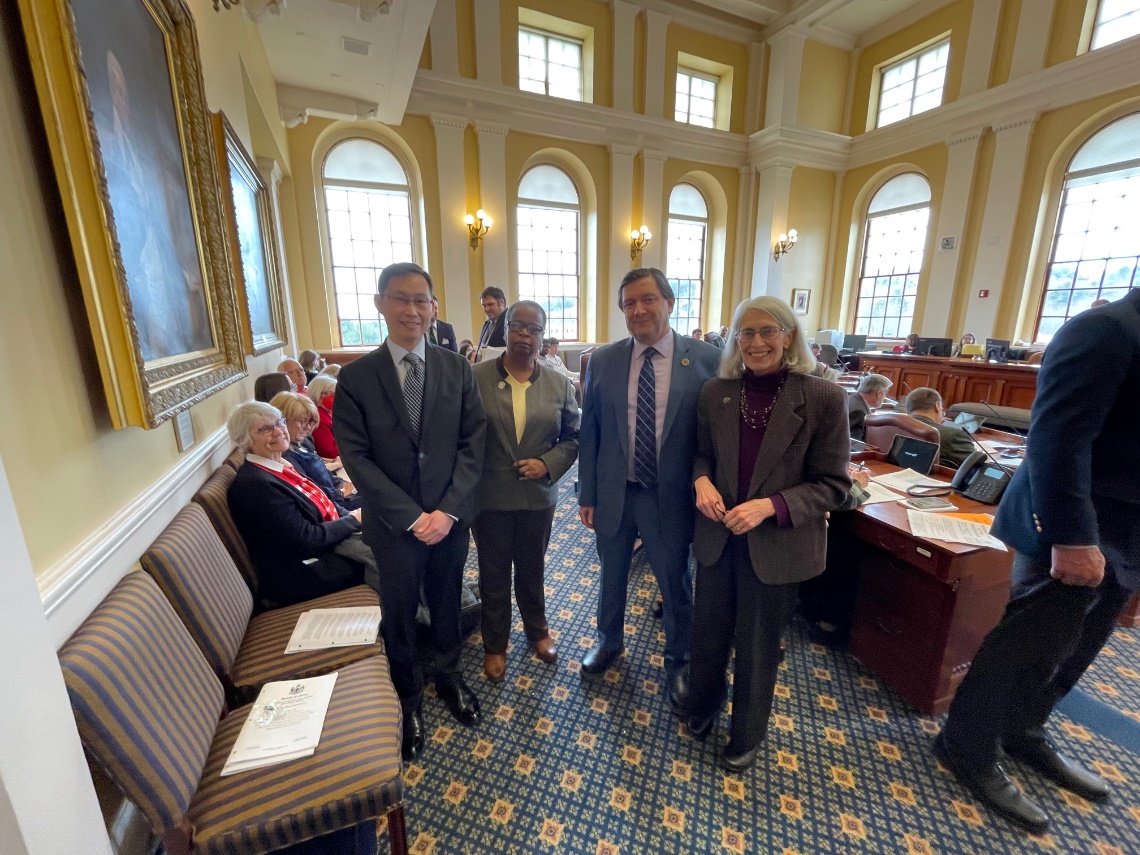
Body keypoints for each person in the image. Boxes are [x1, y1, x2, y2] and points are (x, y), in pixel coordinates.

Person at [934, 289, 1140, 834]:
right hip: (1074, 525)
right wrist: (1072, 537)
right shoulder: (1108, 329)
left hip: (1128, 530)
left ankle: (1025, 730)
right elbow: (1056, 438)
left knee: (1081, 644)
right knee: (1027, 644)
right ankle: (967, 746)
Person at [687, 296, 850, 771]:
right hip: (719, 538)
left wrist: (770, 506)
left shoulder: (823, 397)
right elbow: (701, 456)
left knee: (758, 646)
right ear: (735, 340)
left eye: (767, 331)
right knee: (708, 633)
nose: (756, 342)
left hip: (776, 543)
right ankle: (703, 706)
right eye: (746, 333)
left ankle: (748, 733)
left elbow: (834, 485)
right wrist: (700, 480)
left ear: (789, 335)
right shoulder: (716, 391)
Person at [334, 261, 486, 762]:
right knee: (398, 613)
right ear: (380, 303)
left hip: (449, 521)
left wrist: (446, 511)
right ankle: (409, 697)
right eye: (400, 298)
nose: (412, 309)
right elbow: (356, 457)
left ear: (434, 307)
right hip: (393, 527)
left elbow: (472, 443)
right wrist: (411, 516)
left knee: (447, 603)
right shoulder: (355, 378)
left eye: (422, 300)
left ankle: (449, 677)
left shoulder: (456, 368)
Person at [577, 268, 721, 715]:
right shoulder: (603, 360)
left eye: (647, 300)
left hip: (671, 497)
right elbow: (591, 432)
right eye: (628, 303)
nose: (638, 310)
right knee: (612, 572)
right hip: (615, 492)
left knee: (674, 580)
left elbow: (713, 436)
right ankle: (609, 640)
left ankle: (679, 659)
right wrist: (587, 493)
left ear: (669, 302)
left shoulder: (706, 360)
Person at [472, 301, 580, 682]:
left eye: (532, 329)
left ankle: (538, 631)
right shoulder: (476, 377)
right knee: (493, 572)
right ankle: (494, 644)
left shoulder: (558, 383)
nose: (523, 334)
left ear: (542, 335)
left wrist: (548, 464)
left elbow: (573, 437)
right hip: (489, 498)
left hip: (537, 498)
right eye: (516, 326)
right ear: (505, 331)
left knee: (532, 568)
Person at [225, 401, 376, 608]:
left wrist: (354, 517)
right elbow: (307, 539)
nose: (278, 432)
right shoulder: (256, 485)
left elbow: (326, 503)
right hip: (302, 573)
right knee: (390, 552)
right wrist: (353, 520)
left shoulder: (282, 465)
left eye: (279, 423)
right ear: (244, 440)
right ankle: (414, 625)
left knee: (391, 533)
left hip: (325, 549)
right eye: (265, 429)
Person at [798, 464, 872, 645]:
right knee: (845, 544)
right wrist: (857, 483)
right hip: (792, 522)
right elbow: (839, 499)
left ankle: (809, 602)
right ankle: (830, 622)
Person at [271, 391, 358, 510]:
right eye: (303, 421)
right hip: (334, 506)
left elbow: (325, 473)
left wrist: (341, 483)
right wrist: (341, 492)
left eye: (310, 422)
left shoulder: (303, 442)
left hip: (339, 496)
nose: (307, 427)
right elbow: (311, 493)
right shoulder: (285, 457)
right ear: (283, 421)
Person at [905, 387, 974, 468]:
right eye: (942, 410)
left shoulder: (891, 426)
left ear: (907, 410)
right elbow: (975, 466)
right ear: (937, 406)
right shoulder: (954, 435)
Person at [847, 374, 891, 442]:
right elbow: (854, 445)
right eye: (884, 394)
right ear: (879, 393)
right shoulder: (859, 412)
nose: (884, 398)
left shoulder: (851, 399)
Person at [306, 374, 340, 460]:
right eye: (329, 393)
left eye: (336, 393)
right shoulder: (317, 417)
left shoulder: (329, 412)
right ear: (317, 393)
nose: (334, 397)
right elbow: (329, 451)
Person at [475, 286, 507, 359]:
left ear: (502, 302)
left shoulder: (509, 324)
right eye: (484, 305)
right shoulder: (487, 324)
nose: (486, 309)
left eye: (490, 304)